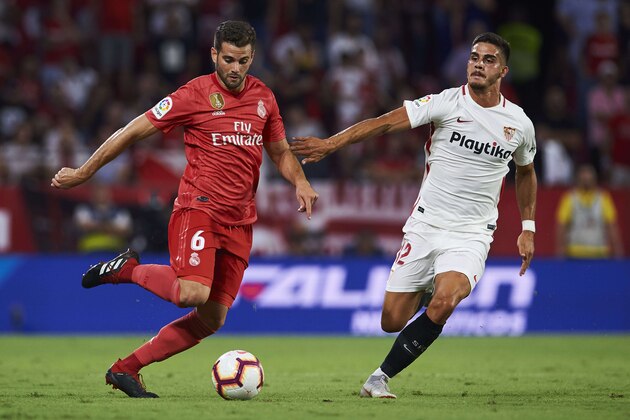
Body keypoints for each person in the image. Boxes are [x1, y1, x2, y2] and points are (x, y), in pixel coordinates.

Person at [51, 21, 318, 398]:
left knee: (212, 318)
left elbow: (279, 152)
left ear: (252, 58)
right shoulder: (193, 95)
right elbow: (131, 131)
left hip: (241, 222)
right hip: (199, 210)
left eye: (243, 61)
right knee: (192, 293)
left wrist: (300, 181)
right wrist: (84, 172)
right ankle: (128, 270)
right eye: (228, 59)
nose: (235, 68)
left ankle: (125, 369)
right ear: (214, 55)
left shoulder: (265, 99)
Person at [291, 32, 537, 399]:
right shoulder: (444, 103)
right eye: (473, 57)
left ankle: (379, 377)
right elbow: (384, 123)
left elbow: (526, 171)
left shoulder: (518, 124)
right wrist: (330, 144)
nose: (478, 64)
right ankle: (424, 293)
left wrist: (527, 227)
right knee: (390, 320)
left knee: (447, 299)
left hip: (471, 233)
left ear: (503, 70)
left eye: (487, 60)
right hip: (426, 225)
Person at [556, 164, 624, 259]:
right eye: (583, 179)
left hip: (599, 253)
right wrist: (560, 252)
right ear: (578, 180)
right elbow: (561, 227)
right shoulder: (569, 198)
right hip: (575, 254)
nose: (586, 182)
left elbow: (612, 226)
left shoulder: (604, 198)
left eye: (588, 179)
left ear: (594, 180)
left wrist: (618, 253)